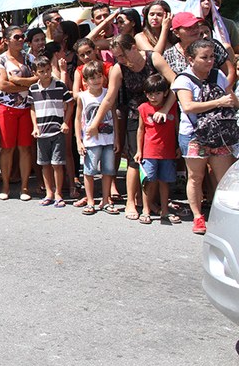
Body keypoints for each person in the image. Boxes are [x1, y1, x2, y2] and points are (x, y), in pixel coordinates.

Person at [86, 33, 175, 219]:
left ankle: (151, 202)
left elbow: (176, 83)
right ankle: (131, 202)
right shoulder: (119, 68)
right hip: (136, 117)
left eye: (122, 55)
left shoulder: (153, 58)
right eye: (117, 56)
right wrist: (95, 123)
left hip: (161, 117)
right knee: (136, 160)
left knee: (160, 159)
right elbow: (109, 98)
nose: (120, 59)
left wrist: (165, 109)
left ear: (134, 47)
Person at [171, 39, 239, 235]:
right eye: (204, 57)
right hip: (194, 135)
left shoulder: (218, 75)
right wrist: (219, 102)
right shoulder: (183, 80)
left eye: (211, 57)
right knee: (196, 177)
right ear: (191, 59)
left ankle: (221, 216)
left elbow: (231, 100)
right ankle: (197, 216)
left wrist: (232, 102)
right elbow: (188, 106)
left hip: (219, 134)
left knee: (223, 177)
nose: (210, 61)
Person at [0, 26, 38, 200]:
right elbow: (2, 85)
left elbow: (39, 79)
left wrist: (18, 80)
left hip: (28, 107)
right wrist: (28, 83)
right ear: (6, 40)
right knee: (7, 148)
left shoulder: (30, 58)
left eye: (23, 37)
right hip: (7, 108)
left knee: (26, 148)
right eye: (17, 37)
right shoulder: (1, 60)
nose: (21, 40)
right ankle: (5, 186)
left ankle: (25, 187)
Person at [134, 74, 180, 225]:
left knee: (165, 182)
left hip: (168, 151)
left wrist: (178, 146)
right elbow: (141, 130)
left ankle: (165, 210)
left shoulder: (172, 107)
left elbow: (176, 127)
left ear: (165, 93)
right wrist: (139, 150)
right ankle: (145, 210)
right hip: (149, 151)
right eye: (150, 93)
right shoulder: (143, 108)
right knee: (149, 181)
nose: (153, 97)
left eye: (157, 93)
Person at [29, 55, 73, 208]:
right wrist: (35, 126)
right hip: (42, 132)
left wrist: (65, 122)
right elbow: (32, 108)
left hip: (57, 131)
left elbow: (70, 103)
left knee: (57, 164)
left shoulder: (60, 85)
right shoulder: (33, 89)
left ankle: (58, 193)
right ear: (36, 73)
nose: (46, 74)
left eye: (48, 70)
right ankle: (49, 192)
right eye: (41, 71)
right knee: (45, 164)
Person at [75, 61, 119, 215]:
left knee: (108, 171)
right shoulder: (82, 96)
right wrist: (79, 141)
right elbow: (77, 118)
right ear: (85, 82)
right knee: (89, 171)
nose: (97, 80)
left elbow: (113, 115)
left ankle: (106, 200)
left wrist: (117, 139)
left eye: (99, 76)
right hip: (91, 141)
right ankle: (90, 200)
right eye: (92, 78)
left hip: (108, 139)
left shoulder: (108, 93)